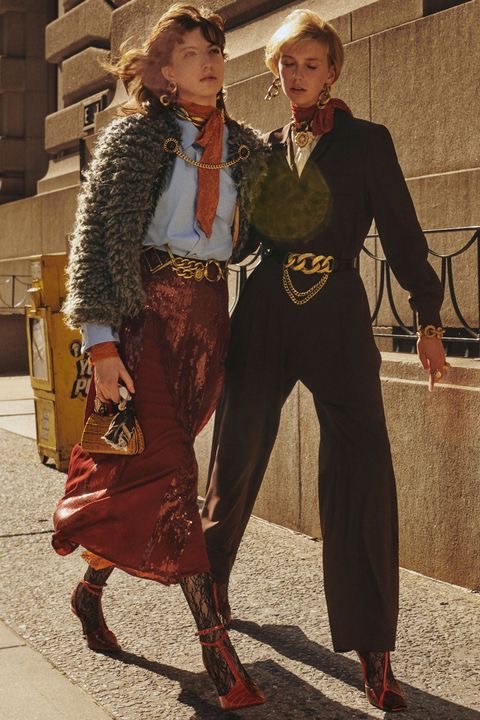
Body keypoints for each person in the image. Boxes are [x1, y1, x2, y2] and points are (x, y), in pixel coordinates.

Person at [201, 9, 447, 713]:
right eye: (287, 64)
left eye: (311, 64)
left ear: (333, 70)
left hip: (337, 312)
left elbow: (402, 232)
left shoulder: (368, 142)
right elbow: (237, 242)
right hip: (265, 312)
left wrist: (428, 317)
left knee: (362, 469)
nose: (297, 75)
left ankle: (374, 650)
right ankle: (210, 601)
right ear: (274, 71)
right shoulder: (259, 150)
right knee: (235, 459)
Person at [51, 4, 268, 711]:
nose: (210, 62)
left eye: (216, 50)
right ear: (164, 71)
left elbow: (273, 225)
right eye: (193, 52)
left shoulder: (244, 146)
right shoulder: (135, 137)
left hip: (207, 321)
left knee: (145, 478)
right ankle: (216, 647)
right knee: (174, 477)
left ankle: (90, 590)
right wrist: (100, 342)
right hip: (143, 319)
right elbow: (96, 240)